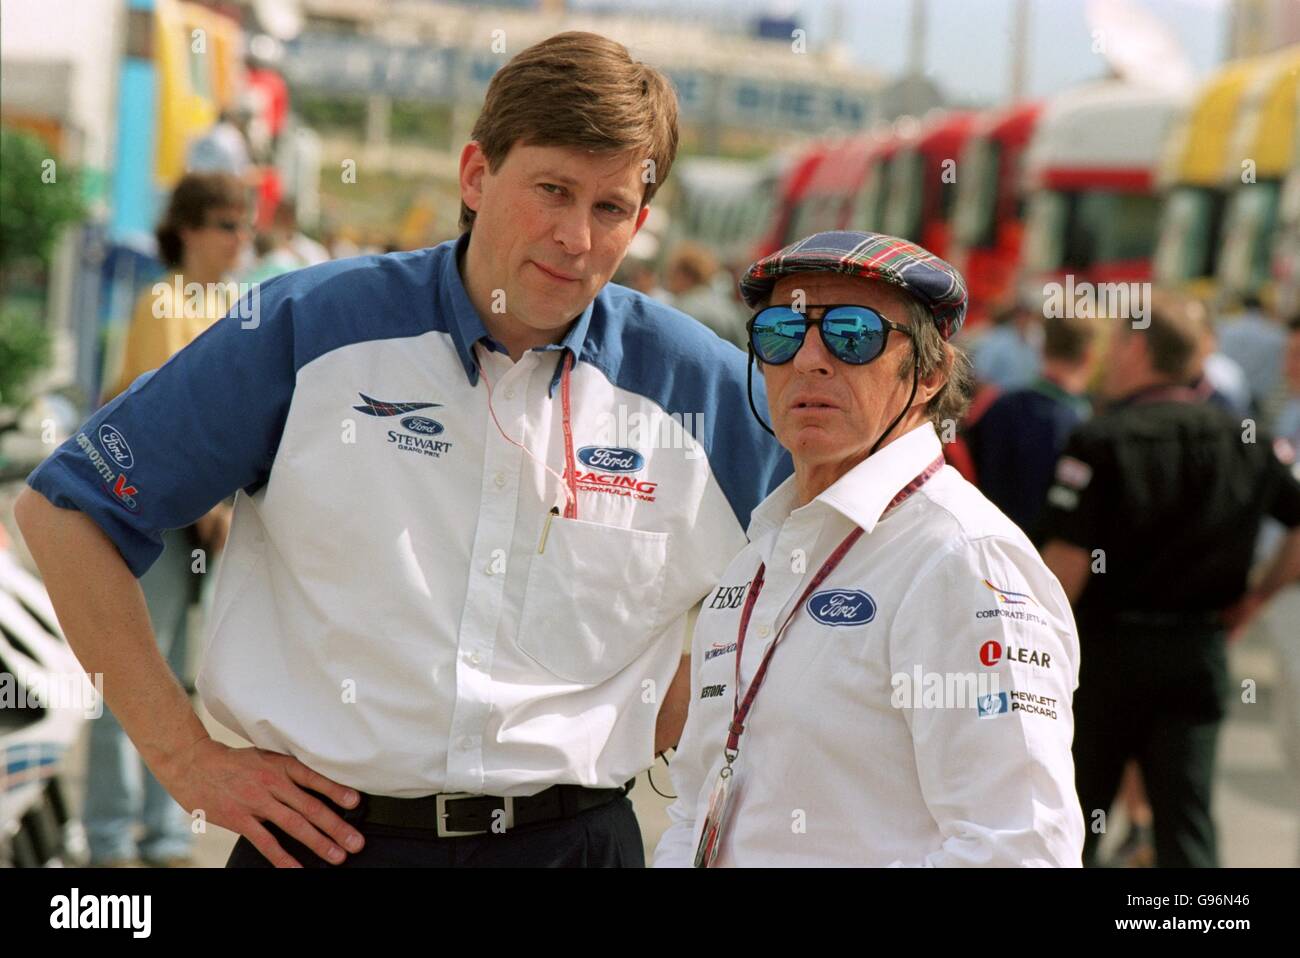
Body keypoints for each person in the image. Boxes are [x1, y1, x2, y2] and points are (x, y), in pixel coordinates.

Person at [15, 32, 790, 869]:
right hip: (324, 842)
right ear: (475, 176)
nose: (574, 236)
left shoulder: (706, 388)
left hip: (577, 846)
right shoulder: (309, 328)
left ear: (640, 221)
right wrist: (185, 759)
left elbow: (847, 569)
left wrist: (692, 703)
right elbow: (66, 513)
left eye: (609, 209)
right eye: (552, 190)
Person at [654, 230, 1084, 867]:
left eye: (853, 334)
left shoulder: (963, 559)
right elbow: (693, 810)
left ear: (931, 374)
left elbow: (1020, 850)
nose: (810, 360)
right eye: (781, 332)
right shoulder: (762, 548)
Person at [1038, 292, 1300, 868]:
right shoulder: (1245, 438)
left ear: (1136, 349)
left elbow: (1067, 565)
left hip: (1104, 653)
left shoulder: (1102, 439)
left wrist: (1032, 650)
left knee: (1073, 815)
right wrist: (1255, 597)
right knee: (1186, 821)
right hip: (1197, 649)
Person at [86, 172, 247, 866]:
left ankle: (157, 831)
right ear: (187, 229)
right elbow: (161, 422)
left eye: (245, 224)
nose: (239, 238)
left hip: (199, 519)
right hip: (142, 511)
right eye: (224, 223)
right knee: (129, 673)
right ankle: (111, 839)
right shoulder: (165, 301)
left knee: (176, 677)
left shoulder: (238, 304)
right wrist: (212, 504)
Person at [966, 312, 1101, 544]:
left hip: (983, 546)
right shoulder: (1085, 428)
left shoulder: (999, 406)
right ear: (1088, 356)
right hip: (1043, 561)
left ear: (1042, 348)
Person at [971, 301, 1042, 391]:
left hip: (1028, 398)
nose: (1025, 319)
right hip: (1003, 399)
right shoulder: (997, 339)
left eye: (1028, 315)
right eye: (1022, 315)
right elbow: (981, 375)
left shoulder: (1036, 339)